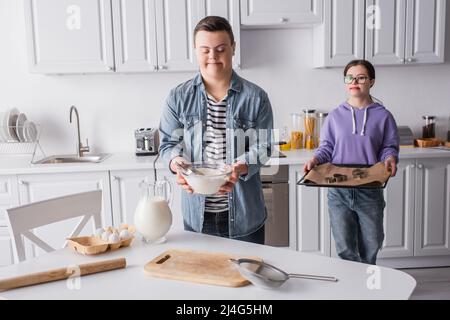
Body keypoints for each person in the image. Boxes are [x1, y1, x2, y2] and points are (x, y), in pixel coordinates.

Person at [159, 16, 273, 244]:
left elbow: (265, 147)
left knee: (246, 277)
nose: (213, 56)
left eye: (221, 49)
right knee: (203, 278)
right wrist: (176, 163)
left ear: (233, 48)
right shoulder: (178, 97)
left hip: (245, 216)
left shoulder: (256, 97)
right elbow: (168, 146)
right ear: (195, 50)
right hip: (197, 218)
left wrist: (241, 166)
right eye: (205, 50)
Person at [304, 59, 399, 265]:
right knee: (345, 247)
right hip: (338, 189)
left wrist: (390, 158)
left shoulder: (384, 116)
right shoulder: (335, 116)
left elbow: (388, 147)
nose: (354, 81)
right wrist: (316, 159)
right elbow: (327, 147)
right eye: (350, 77)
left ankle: (368, 288)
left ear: (371, 81)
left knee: (372, 245)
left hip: (370, 187)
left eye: (361, 77)